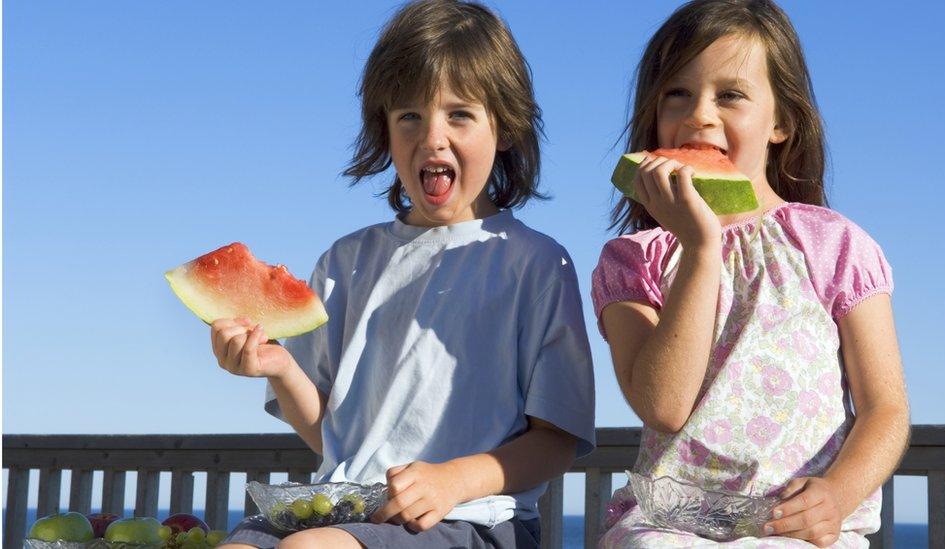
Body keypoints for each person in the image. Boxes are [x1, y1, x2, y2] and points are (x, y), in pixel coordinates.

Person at [211, 1, 596, 548]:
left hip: (475, 520)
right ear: (385, 129)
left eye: (459, 114)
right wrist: (280, 368)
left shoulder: (535, 264)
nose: (432, 137)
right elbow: (333, 436)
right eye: (409, 116)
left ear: (505, 128)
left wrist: (452, 479)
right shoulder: (346, 262)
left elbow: (557, 441)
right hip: (344, 506)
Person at [591, 1, 909, 547]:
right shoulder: (633, 260)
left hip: (799, 524)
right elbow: (664, 407)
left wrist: (837, 493)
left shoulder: (833, 244)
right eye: (677, 93)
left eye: (730, 95)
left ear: (781, 121)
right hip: (672, 523)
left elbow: (886, 408)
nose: (700, 115)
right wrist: (699, 247)